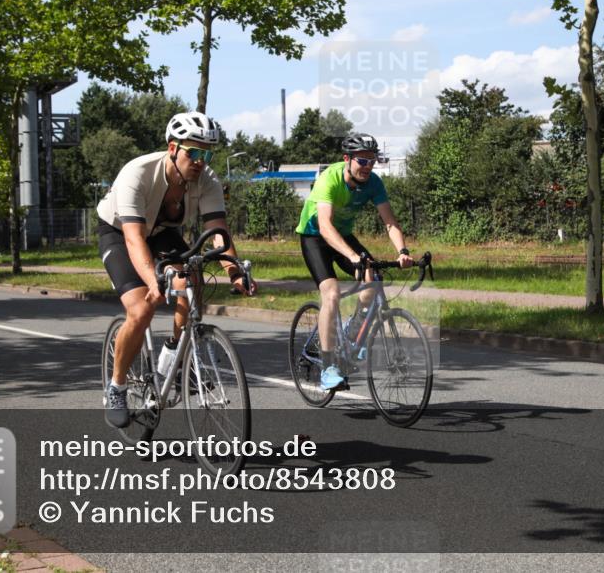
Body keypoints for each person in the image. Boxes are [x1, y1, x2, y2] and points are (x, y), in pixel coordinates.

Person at [96, 111, 257, 428]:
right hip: (119, 231)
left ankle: (174, 356)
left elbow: (218, 234)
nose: (200, 161)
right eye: (193, 152)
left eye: (207, 154)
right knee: (142, 309)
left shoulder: (207, 180)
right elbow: (133, 238)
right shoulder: (137, 174)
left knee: (192, 275)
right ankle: (116, 388)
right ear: (173, 148)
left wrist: (234, 271)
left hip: (162, 231)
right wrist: (152, 280)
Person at [295, 133, 413, 390]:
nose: (368, 167)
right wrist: (352, 256)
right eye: (362, 161)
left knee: (372, 279)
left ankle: (351, 335)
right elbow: (325, 225)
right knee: (332, 293)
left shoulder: (374, 183)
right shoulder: (330, 178)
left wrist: (402, 251)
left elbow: (390, 222)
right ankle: (327, 368)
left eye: (373, 161)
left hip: (344, 236)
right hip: (315, 237)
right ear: (347, 159)